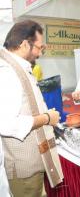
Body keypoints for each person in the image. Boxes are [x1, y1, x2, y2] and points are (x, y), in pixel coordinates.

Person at [0, 20, 61, 196]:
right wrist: (47, 118)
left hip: (31, 164)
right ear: (25, 44)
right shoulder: (7, 73)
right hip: (23, 169)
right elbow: (6, 124)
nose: (40, 53)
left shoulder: (16, 66)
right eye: (39, 48)